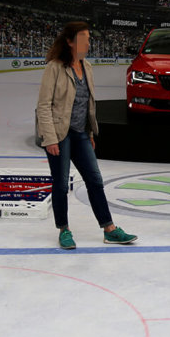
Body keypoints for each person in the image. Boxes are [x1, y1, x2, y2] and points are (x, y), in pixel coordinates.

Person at [36, 21, 137, 249]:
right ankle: (64, 229)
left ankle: (109, 229)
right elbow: (44, 105)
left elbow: (88, 102)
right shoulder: (54, 67)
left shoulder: (87, 66)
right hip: (60, 134)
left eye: (89, 38)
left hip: (81, 133)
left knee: (95, 179)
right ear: (70, 41)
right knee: (61, 185)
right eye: (84, 38)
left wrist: (90, 130)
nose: (89, 42)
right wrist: (50, 138)